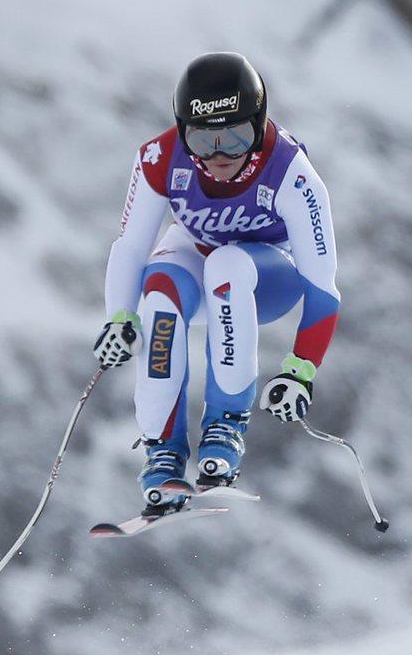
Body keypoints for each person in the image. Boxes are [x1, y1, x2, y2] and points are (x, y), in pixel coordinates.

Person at [92, 52, 340, 512]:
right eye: (203, 141)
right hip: (196, 258)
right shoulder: (160, 157)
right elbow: (129, 247)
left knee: (227, 265)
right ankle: (163, 450)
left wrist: (300, 370)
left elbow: (323, 286)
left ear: (259, 124)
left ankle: (225, 427)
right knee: (159, 291)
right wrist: (120, 319)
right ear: (183, 129)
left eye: (236, 138)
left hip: (267, 278)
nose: (220, 155)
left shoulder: (292, 173)